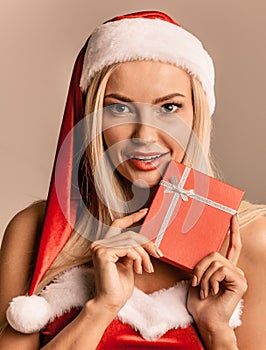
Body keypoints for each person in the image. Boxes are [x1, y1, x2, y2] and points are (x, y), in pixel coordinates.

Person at [0, 10, 266, 350]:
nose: (145, 136)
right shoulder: (33, 231)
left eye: (169, 108)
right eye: (120, 108)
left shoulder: (249, 240)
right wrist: (101, 307)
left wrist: (216, 331)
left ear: (197, 114)